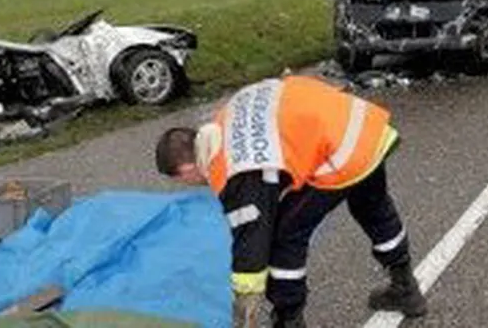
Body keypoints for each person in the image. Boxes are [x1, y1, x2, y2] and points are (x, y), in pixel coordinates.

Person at [155, 74, 427, 327]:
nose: (192, 185)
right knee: (373, 207)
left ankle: (289, 319)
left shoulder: (234, 171)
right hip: (363, 129)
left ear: (186, 169)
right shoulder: (224, 121)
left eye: (183, 181)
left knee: (285, 236)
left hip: (338, 154)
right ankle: (405, 286)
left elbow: (252, 247)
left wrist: (244, 310)